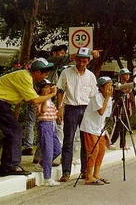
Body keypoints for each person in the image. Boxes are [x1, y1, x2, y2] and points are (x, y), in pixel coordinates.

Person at [0, 58, 56, 175]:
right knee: (15, 131)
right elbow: (35, 100)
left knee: (12, 132)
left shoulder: (26, 77)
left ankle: (7, 165)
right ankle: (11, 166)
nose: (46, 75)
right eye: (45, 73)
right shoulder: (25, 77)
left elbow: (30, 99)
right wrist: (52, 94)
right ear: (37, 72)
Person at [56, 47, 99, 182]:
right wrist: (59, 109)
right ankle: (66, 172)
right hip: (71, 108)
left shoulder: (91, 76)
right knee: (68, 140)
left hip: (86, 109)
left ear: (88, 61)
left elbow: (93, 96)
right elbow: (60, 91)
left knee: (86, 141)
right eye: (79, 61)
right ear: (75, 59)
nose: (81, 64)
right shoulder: (66, 73)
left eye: (84, 61)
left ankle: (86, 171)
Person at [80, 76, 113, 185]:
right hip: (90, 127)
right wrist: (107, 98)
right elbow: (101, 112)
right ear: (101, 88)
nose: (110, 89)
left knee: (101, 151)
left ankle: (96, 174)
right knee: (93, 151)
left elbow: (105, 117)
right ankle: (88, 177)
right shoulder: (96, 97)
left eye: (111, 86)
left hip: (99, 128)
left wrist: (106, 132)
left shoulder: (109, 99)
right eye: (108, 86)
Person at [34, 79, 61, 186]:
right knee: (48, 152)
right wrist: (50, 95)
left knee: (57, 149)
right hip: (45, 125)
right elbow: (43, 110)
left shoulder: (49, 100)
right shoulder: (39, 99)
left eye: (49, 87)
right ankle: (47, 178)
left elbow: (55, 113)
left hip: (52, 125)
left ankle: (41, 164)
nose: (48, 89)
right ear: (40, 89)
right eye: (45, 87)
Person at [110, 68, 136, 150]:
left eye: (128, 74)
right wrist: (123, 91)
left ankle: (123, 144)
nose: (127, 76)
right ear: (121, 76)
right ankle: (111, 142)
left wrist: (130, 109)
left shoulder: (129, 86)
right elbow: (115, 97)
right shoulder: (118, 85)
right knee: (117, 127)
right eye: (125, 74)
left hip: (126, 110)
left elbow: (131, 99)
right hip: (118, 110)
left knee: (124, 128)